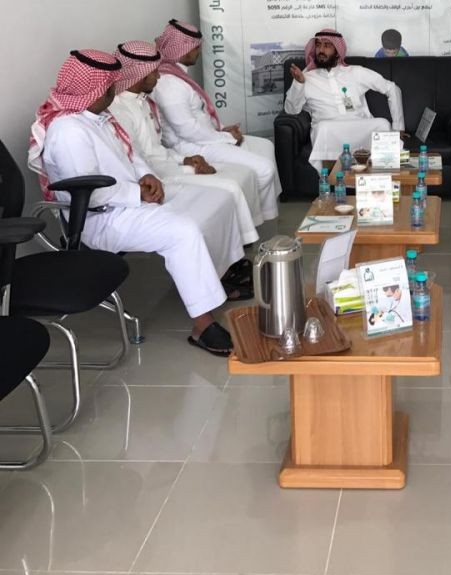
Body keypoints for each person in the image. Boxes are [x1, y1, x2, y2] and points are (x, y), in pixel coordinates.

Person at [28, 50, 238, 355]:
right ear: (95, 90)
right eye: (110, 85)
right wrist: (137, 192)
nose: (115, 89)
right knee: (182, 231)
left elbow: (131, 154)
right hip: (101, 218)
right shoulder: (69, 131)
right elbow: (87, 192)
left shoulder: (98, 118)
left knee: (214, 198)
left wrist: (146, 176)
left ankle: (217, 277)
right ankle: (203, 326)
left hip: (129, 199)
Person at [111, 39, 262, 251]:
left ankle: (236, 250)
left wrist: (186, 160)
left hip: (169, 163)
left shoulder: (142, 101)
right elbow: (141, 162)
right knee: (229, 190)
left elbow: (157, 149)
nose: (159, 76)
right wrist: (189, 168)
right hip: (157, 178)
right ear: (140, 75)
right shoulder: (120, 111)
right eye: (154, 72)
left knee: (235, 183)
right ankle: (235, 253)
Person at [151, 19, 280, 221]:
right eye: (196, 48)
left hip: (204, 138)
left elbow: (198, 116)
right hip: (190, 147)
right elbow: (187, 130)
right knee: (264, 169)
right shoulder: (169, 83)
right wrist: (227, 138)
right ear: (184, 50)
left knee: (265, 146)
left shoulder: (177, 74)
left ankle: (263, 213)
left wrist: (222, 130)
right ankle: (250, 220)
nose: (198, 51)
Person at [285, 29, 405, 168]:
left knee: (382, 124)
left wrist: (398, 127)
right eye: (318, 45)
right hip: (329, 130)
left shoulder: (355, 72)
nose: (321, 50)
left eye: (327, 45)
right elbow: (291, 110)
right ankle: (331, 177)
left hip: (360, 127)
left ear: (338, 51)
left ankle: (383, 173)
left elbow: (392, 88)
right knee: (323, 128)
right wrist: (298, 83)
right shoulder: (306, 77)